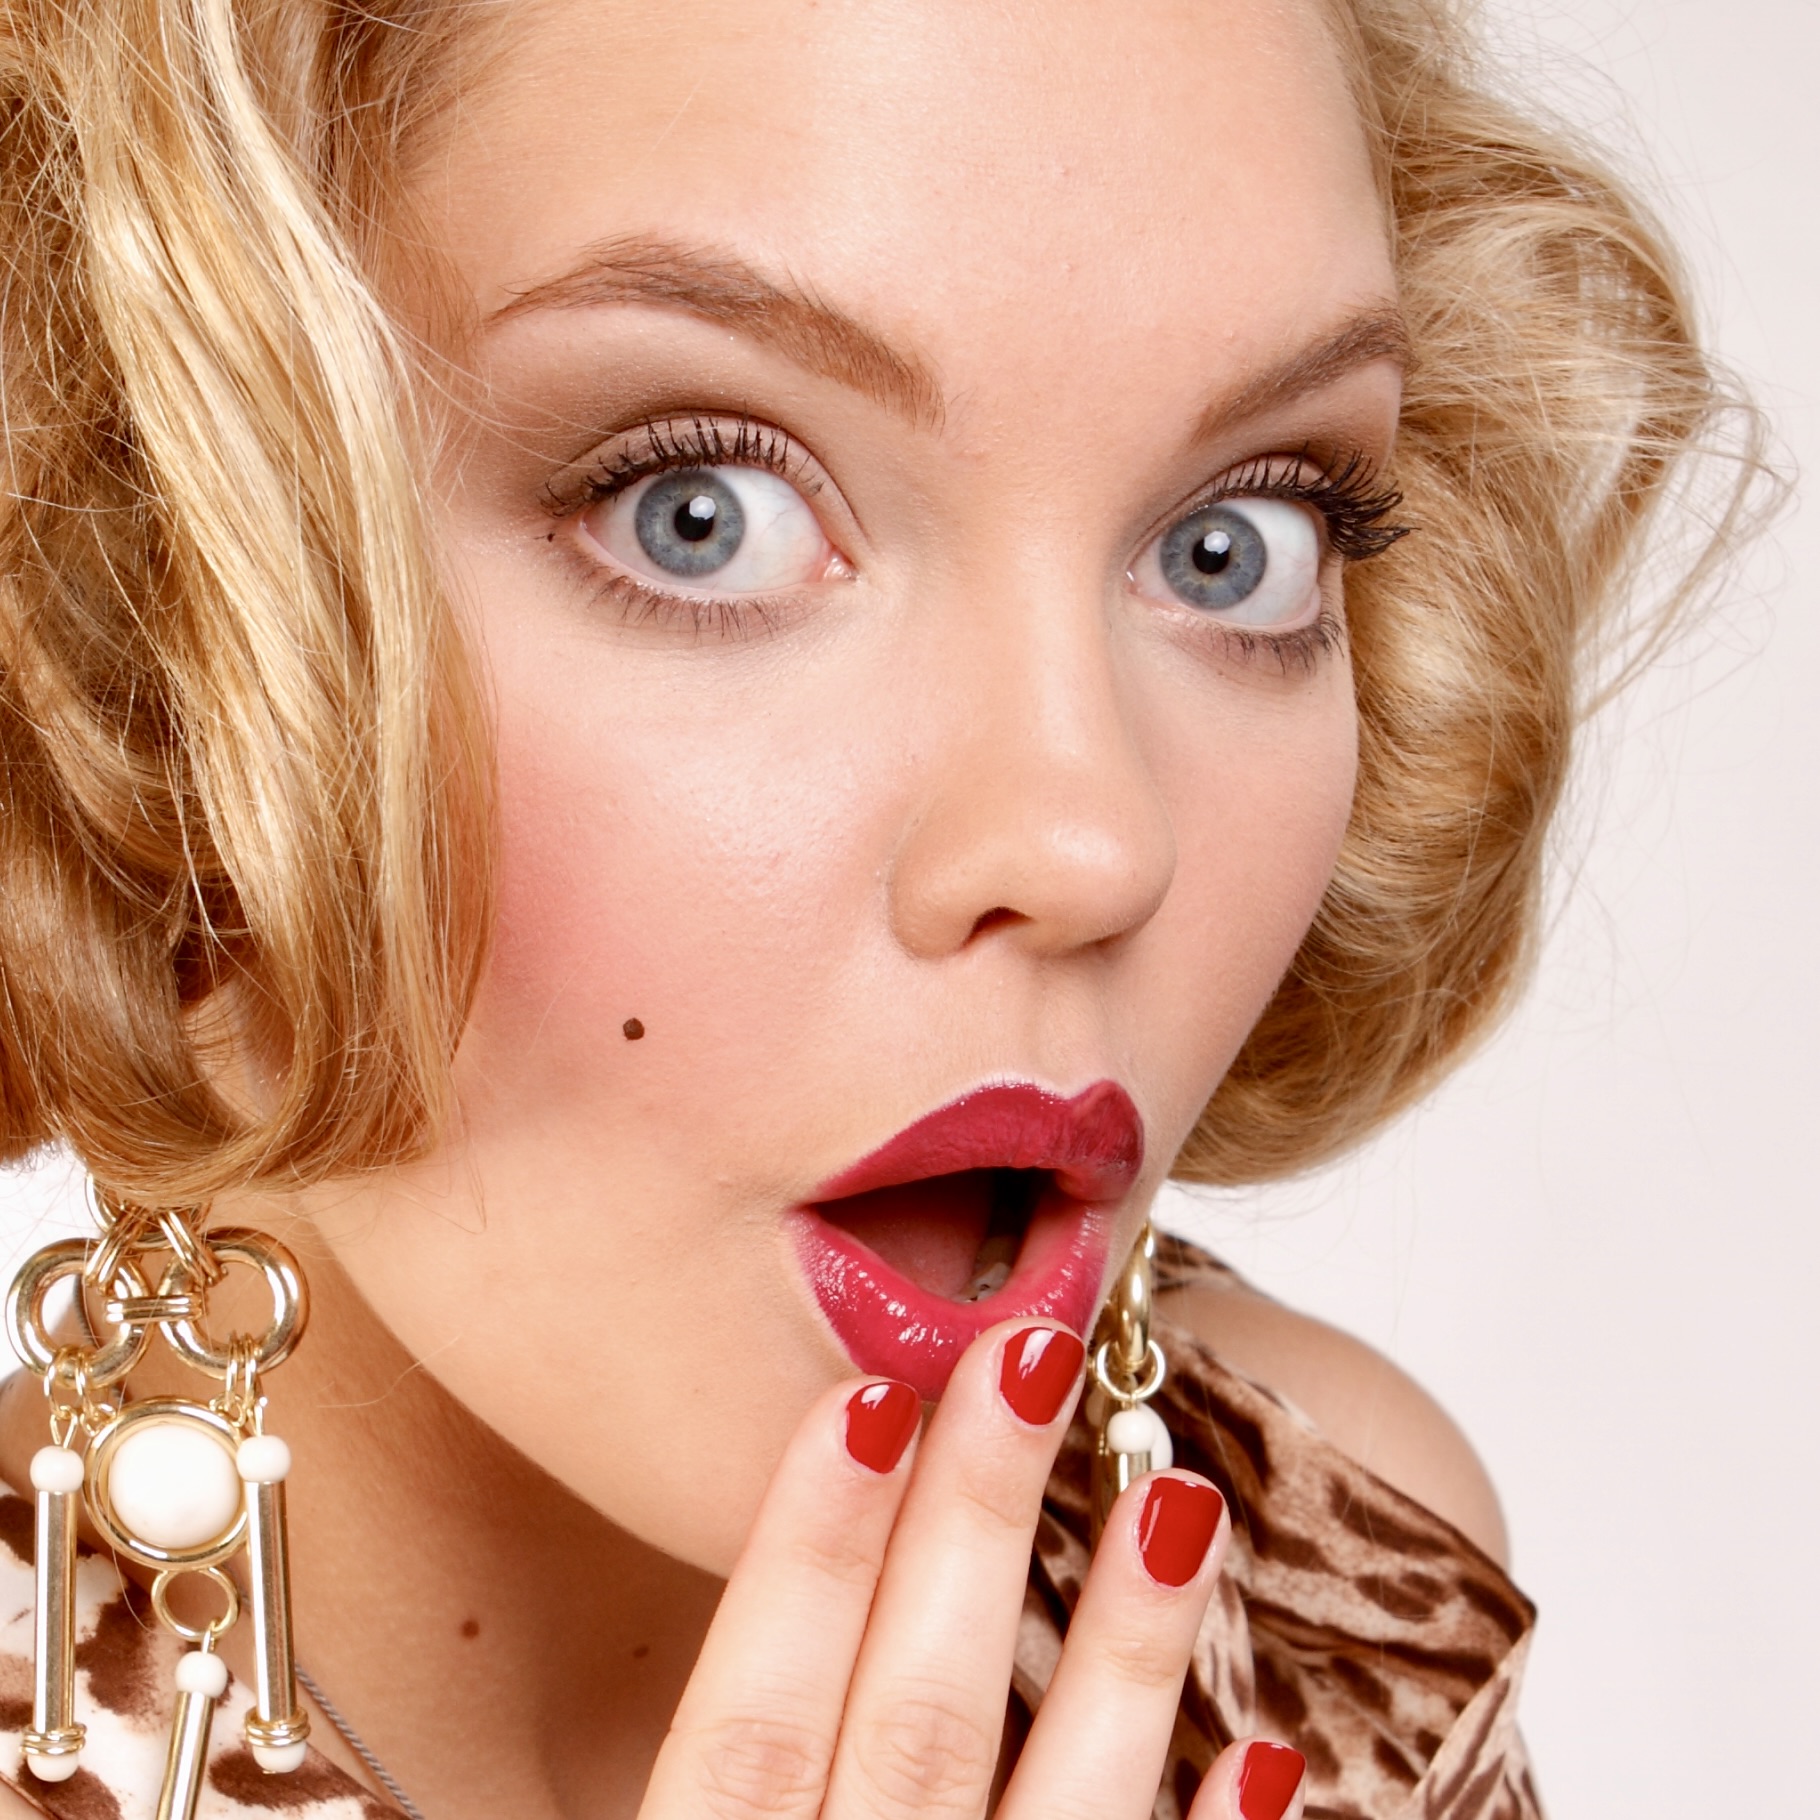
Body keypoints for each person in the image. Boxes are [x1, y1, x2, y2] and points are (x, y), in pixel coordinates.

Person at [0, 0, 1755, 1816]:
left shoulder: (1305, 1605)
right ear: (138, 620)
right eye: (703, 511)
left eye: (1240, 539)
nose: (1094, 842)